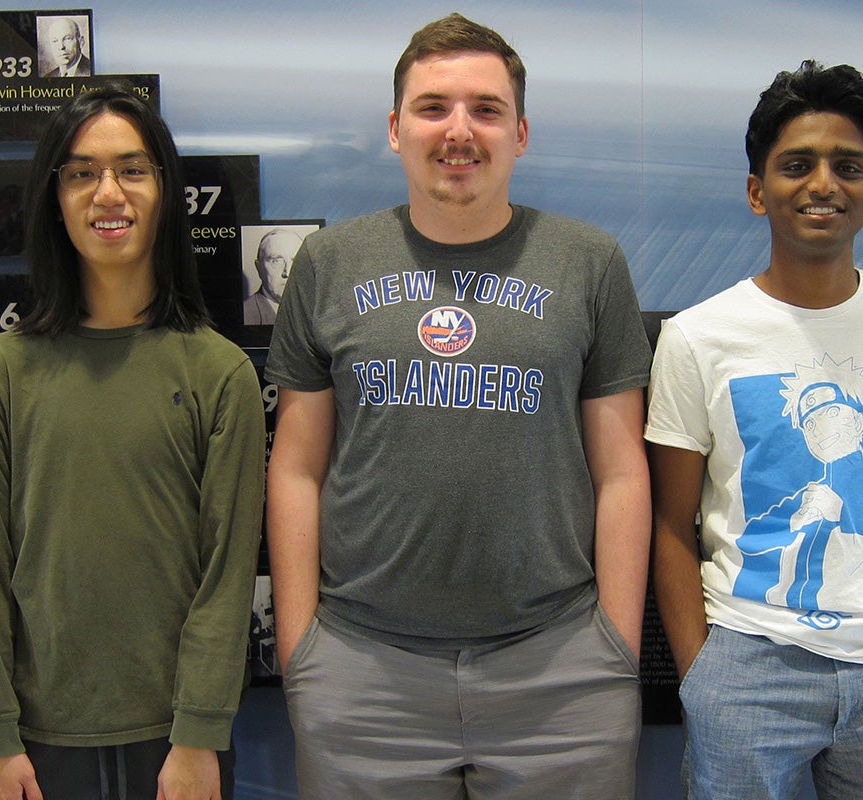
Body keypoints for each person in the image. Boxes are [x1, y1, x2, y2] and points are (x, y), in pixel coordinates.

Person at [263, 13, 651, 799]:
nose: (459, 130)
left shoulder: (589, 263)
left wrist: (613, 648)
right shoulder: (330, 263)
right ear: (396, 127)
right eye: (433, 107)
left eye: (486, 108)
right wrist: (302, 648)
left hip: (559, 669)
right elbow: (297, 466)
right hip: (363, 670)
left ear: (522, 131)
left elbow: (621, 471)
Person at [645, 61, 863, 799]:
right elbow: (670, 524)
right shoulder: (697, 339)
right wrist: (703, 675)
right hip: (747, 666)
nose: (823, 184)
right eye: (796, 165)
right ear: (755, 190)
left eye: (848, 166)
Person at [0, 82, 265, 800]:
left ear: (164, 189)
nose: (108, 193)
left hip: (177, 742)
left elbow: (226, 579)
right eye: (81, 172)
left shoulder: (220, 373)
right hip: (39, 744)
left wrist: (197, 735)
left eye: (132, 169)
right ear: (53, 197)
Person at [243, 227, 302, 325]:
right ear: (259, 268)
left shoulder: (314, 309)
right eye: (276, 261)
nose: (287, 273)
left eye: (295, 261)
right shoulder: (246, 313)